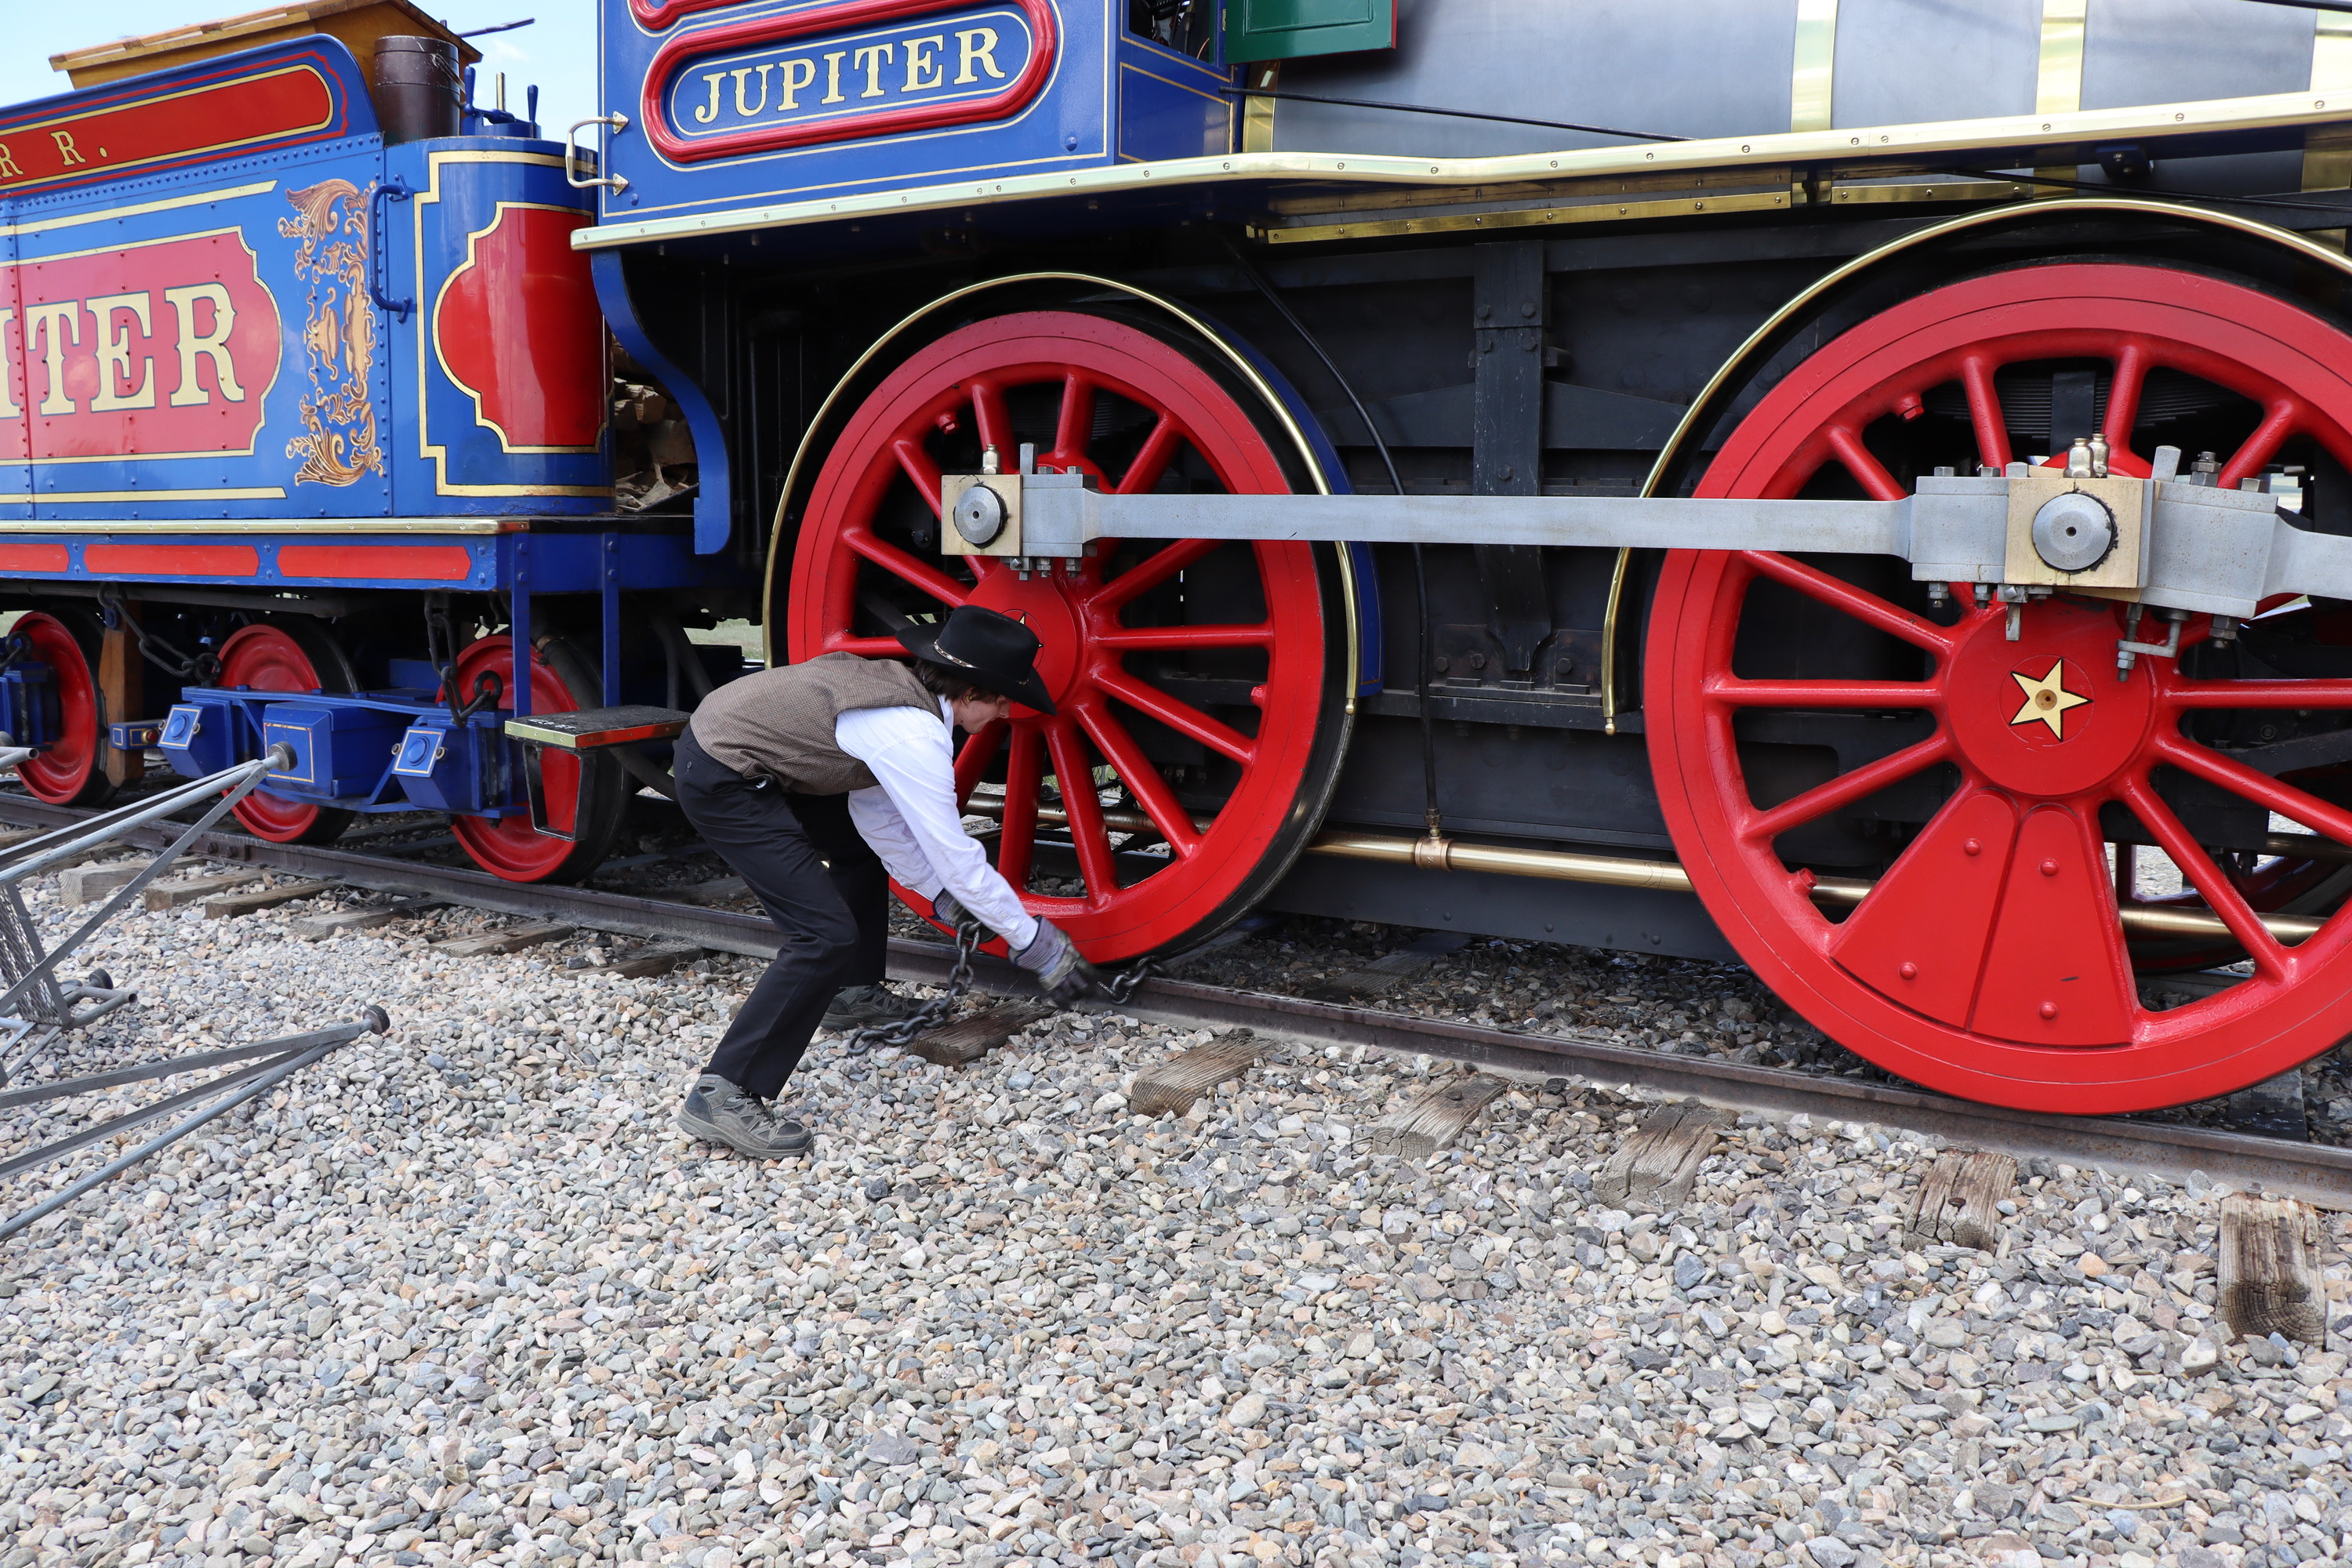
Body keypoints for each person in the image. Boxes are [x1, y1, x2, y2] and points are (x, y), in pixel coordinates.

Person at [670, 604, 1098, 1159]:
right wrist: (1034, 943)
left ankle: (850, 992)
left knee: (858, 853)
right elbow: (957, 856)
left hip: (756, 760)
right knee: (822, 935)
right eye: (1000, 701)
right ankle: (722, 1091)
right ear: (970, 695)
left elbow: (878, 822)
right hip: (722, 772)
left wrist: (942, 900)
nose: (1003, 714)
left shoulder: (901, 702)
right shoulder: (912, 735)